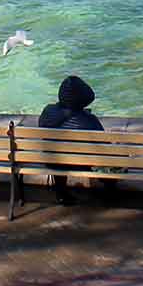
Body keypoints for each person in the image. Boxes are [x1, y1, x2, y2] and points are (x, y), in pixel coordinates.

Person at [39, 75, 103, 205]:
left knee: (58, 152)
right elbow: (103, 146)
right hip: (83, 164)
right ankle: (109, 190)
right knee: (111, 160)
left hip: (53, 162)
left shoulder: (47, 112)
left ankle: (61, 193)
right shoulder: (89, 120)